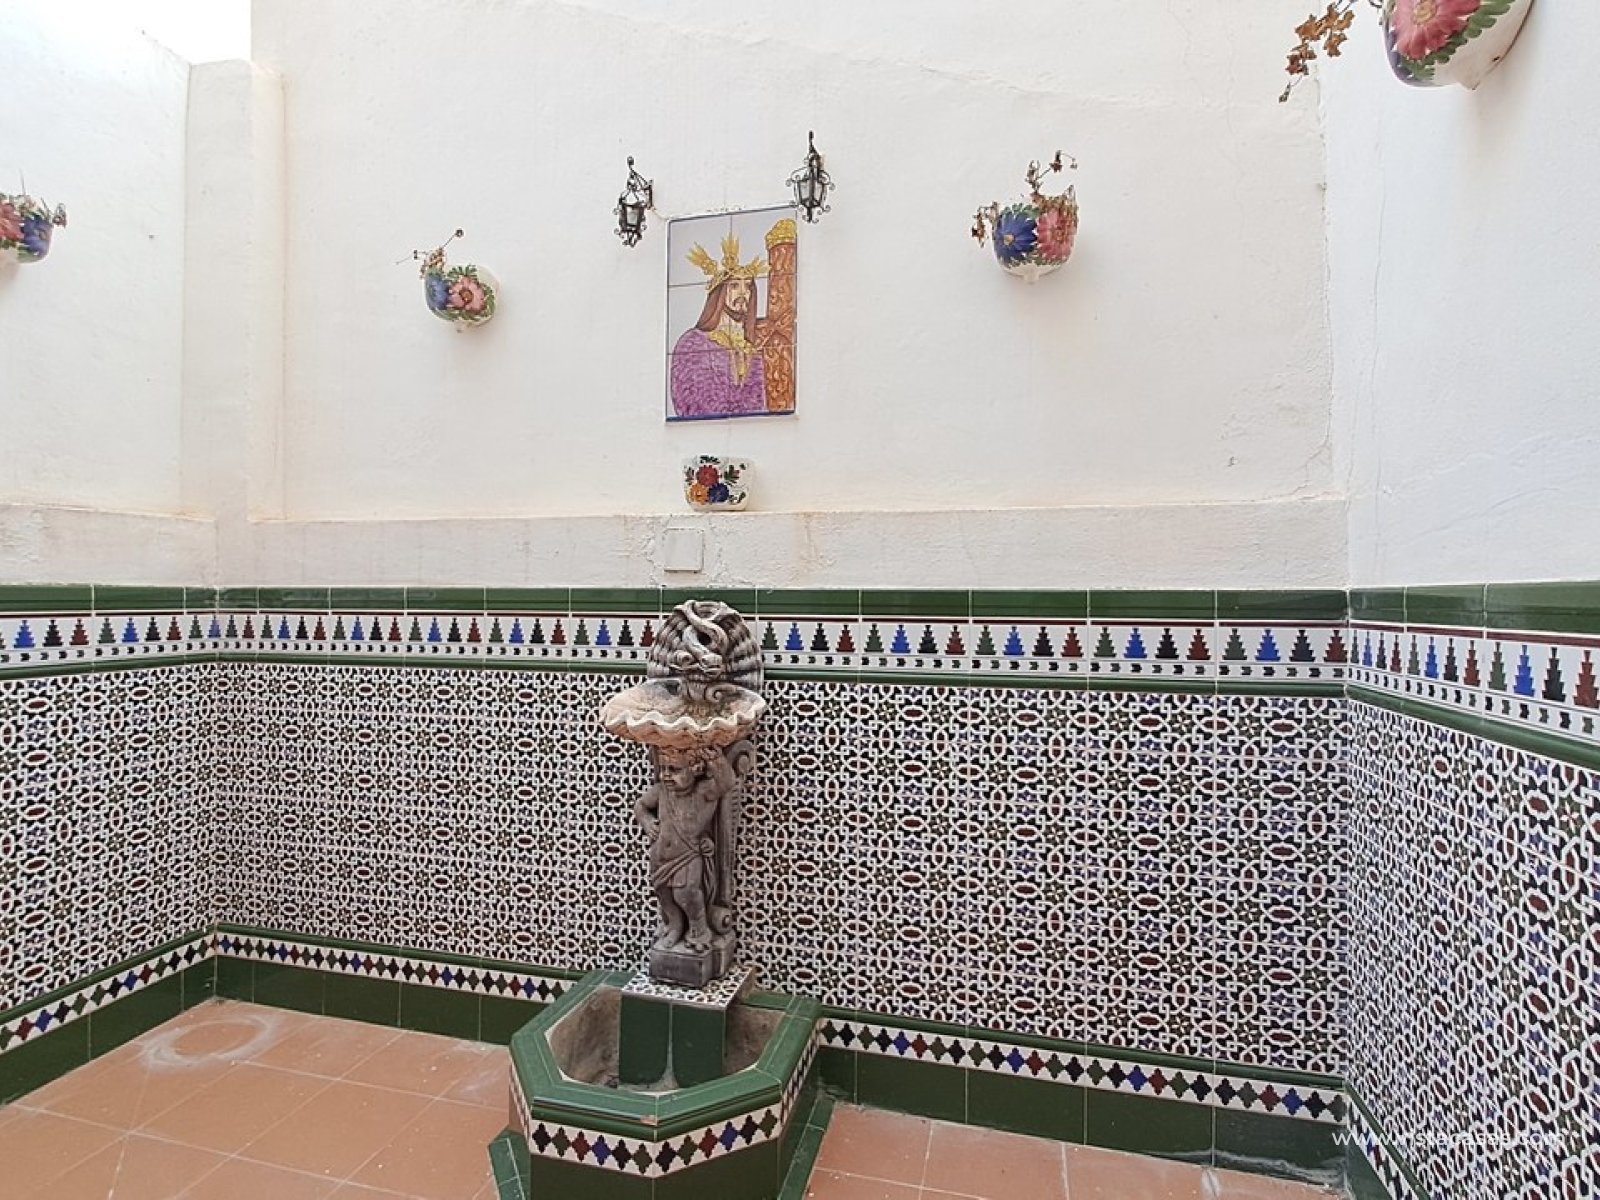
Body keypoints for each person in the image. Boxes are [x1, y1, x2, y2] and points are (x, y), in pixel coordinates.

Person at [635, 745, 734, 952]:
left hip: (688, 855)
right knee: (664, 895)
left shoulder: (702, 793)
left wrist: (716, 760)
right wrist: (647, 821)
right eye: (663, 768)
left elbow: (725, 783)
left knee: (687, 894)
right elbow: (640, 805)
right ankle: (675, 925)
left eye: (674, 769)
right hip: (660, 857)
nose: (666, 775)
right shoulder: (661, 791)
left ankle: (699, 930)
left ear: (696, 769)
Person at [670, 235, 769, 418]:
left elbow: (758, 403)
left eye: (748, 286)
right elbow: (691, 401)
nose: (743, 293)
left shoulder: (751, 351)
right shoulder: (693, 343)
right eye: (734, 286)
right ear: (719, 294)